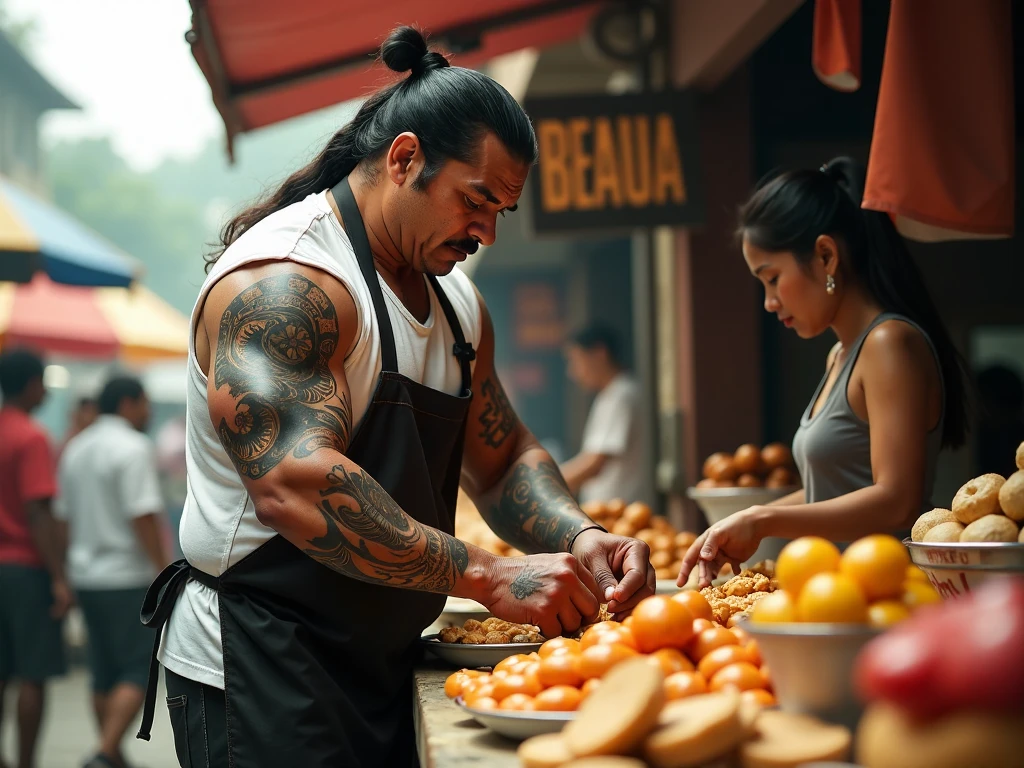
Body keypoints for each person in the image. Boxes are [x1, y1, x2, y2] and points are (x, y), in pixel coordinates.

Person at [137, 26, 654, 768]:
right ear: (405, 159)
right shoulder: (289, 283)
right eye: (475, 200)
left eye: (500, 211)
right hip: (260, 665)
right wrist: (487, 573)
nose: (487, 232)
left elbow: (503, 458)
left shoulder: (458, 306)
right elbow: (295, 484)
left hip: (383, 658)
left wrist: (576, 536)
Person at [679, 157, 969, 587]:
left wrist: (763, 518)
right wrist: (746, 520)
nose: (769, 302)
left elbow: (896, 501)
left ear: (826, 256)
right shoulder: (841, 355)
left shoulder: (889, 344)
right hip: (835, 595)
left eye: (773, 278)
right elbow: (830, 494)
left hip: (885, 597)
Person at [56, 376, 169, 768]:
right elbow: (142, 514)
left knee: (102, 671)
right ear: (127, 403)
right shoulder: (133, 447)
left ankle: (112, 754)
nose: (148, 412)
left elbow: (62, 519)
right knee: (139, 666)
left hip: (87, 576)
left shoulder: (76, 448)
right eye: (144, 403)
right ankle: (104, 753)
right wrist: (161, 570)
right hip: (127, 576)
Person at [0, 348, 70, 768]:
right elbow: (37, 511)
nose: (45, 391)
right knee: (33, 673)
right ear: (30, 384)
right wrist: (59, 577)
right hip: (25, 568)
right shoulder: (32, 436)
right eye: (42, 382)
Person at [561, 325, 648, 505]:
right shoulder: (609, 395)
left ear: (600, 354)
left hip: (621, 512)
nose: (573, 372)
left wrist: (544, 484)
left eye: (576, 360)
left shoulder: (622, 394)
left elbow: (594, 464)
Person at [57, 396, 98, 461]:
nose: (89, 417)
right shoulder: (70, 440)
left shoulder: (95, 439)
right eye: (86, 411)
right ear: (76, 414)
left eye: (93, 412)